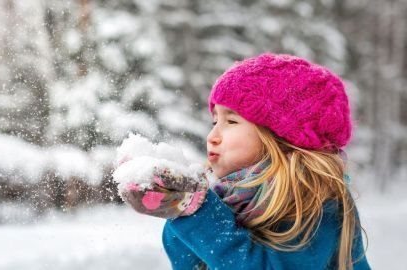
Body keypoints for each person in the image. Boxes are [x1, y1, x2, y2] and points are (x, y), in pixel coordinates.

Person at [119, 53, 371, 270]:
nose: (213, 136)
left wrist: (197, 212)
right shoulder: (232, 198)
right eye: (214, 121)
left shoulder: (314, 201)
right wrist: (177, 206)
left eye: (231, 122)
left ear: (280, 137)